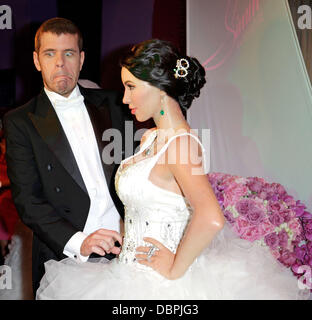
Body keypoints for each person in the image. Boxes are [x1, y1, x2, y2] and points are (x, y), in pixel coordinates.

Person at [36, 39, 308, 300]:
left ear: (159, 87)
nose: (125, 97)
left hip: (161, 283)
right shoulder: (149, 139)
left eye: (131, 86)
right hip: (126, 271)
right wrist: (125, 235)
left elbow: (211, 217)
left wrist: (174, 267)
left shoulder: (181, 145)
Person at [3, 17, 131, 297]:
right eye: (50, 54)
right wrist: (80, 242)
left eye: (69, 53)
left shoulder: (115, 104)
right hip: (65, 258)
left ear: (81, 59)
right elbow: (28, 201)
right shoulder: (20, 122)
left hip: (127, 251)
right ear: (37, 60)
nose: (60, 63)